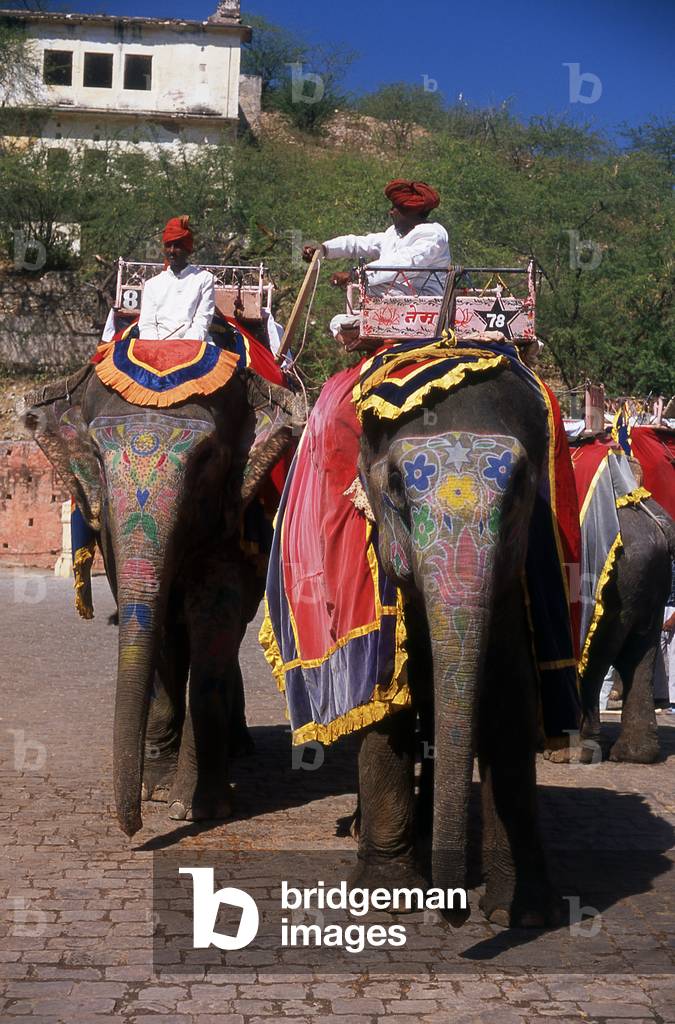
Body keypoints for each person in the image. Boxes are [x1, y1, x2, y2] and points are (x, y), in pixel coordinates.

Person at [302, 179, 451, 297]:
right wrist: (325, 249)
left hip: (427, 300)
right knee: (338, 323)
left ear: (409, 212)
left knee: (374, 286)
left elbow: (404, 263)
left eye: (395, 208)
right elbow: (359, 243)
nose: (391, 212)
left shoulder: (432, 235)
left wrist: (356, 275)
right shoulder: (394, 233)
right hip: (400, 296)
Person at [138, 215, 215, 342]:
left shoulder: (204, 279)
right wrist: (155, 348)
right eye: (168, 245)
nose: (172, 251)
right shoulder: (152, 284)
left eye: (177, 246)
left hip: (195, 345)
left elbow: (202, 321)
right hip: (157, 347)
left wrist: (183, 347)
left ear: (188, 249)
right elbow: (147, 325)